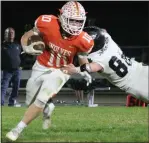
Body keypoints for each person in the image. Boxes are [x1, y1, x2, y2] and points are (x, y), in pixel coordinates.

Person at [6, 1, 94, 141]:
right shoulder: (46, 22)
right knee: (30, 100)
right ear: (62, 17)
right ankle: (48, 108)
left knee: (41, 99)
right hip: (41, 65)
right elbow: (27, 36)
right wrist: (26, 43)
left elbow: (83, 59)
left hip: (62, 70)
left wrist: (83, 71)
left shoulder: (84, 40)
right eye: (72, 21)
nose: (75, 25)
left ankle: (17, 129)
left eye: (79, 22)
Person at [61, 26, 149, 103]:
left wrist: (79, 57)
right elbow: (101, 30)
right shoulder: (106, 37)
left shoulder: (101, 60)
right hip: (139, 68)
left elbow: (87, 68)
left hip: (133, 84)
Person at [1, 27, 22, 106]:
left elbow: (20, 56)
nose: (10, 34)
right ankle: (1, 103)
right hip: (6, 71)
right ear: (5, 34)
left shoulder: (17, 45)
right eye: (8, 33)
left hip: (17, 70)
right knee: (3, 87)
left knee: (16, 88)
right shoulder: (2, 46)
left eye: (12, 33)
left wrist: (21, 65)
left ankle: (12, 102)